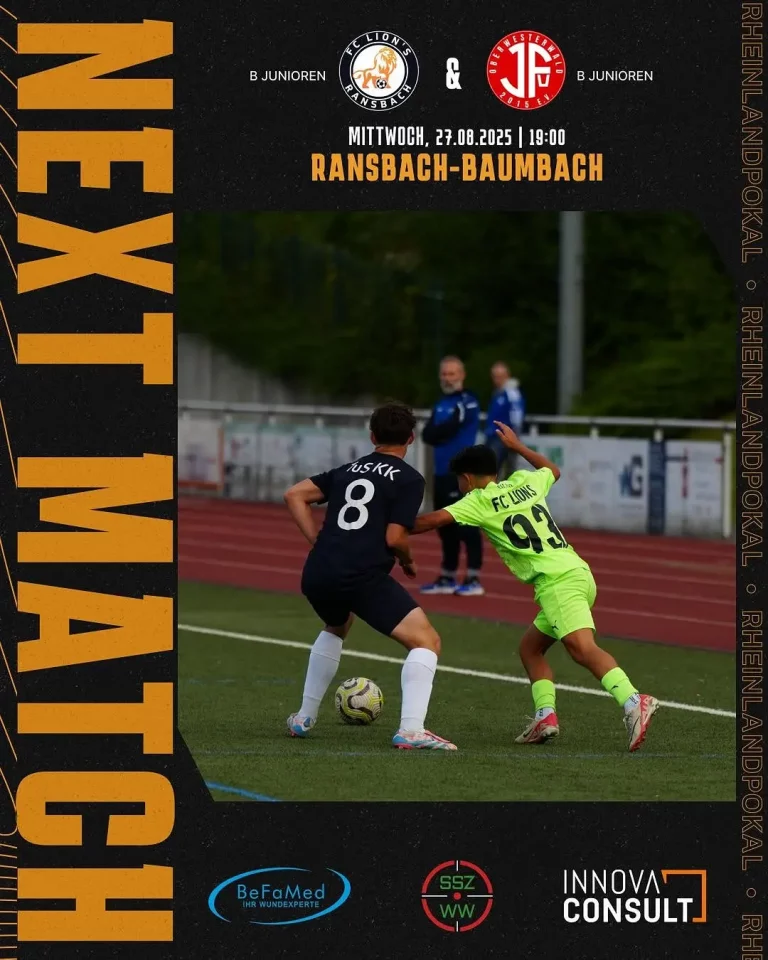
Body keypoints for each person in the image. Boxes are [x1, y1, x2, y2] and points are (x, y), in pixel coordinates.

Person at [411, 423, 659, 753]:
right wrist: (518, 447)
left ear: (467, 479)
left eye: (460, 480)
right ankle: (545, 717)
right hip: (578, 572)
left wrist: (388, 526)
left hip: (556, 583)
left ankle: (633, 701)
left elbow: (429, 522)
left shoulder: (477, 501)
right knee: (530, 649)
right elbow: (553, 470)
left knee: (581, 649)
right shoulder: (524, 481)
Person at [283, 400, 457, 751]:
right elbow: (395, 537)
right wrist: (407, 560)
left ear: (372, 436)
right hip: (359, 574)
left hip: (318, 571)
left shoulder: (348, 470)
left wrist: (317, 541)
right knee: (427, 641)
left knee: (338, 623)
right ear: (411, 438)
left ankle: (303, 717)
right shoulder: (409, 479)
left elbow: (294, 494)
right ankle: (411, 730)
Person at [420, 355, 484, 597]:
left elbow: (447, 429)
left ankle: (473, 577)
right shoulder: (440, 404)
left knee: (466, 524)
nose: (448, 378)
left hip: (463, 474)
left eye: (452, 373)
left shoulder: (468, 402)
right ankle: (448, 575)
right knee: (444, 525)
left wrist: (438, 432)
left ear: (462, 375)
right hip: (441, 472)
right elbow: (427, 435)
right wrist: (438, 432)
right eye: (444, 374)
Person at [485, 362, 525, 478]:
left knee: (496, 471)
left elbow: (517, 415)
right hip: (494, 435)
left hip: (503, 436)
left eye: (500, 376)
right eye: (495, 376)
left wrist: (513, 434)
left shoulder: (511, 393)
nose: (497, 380)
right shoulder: (498, 392)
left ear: (507, 376)